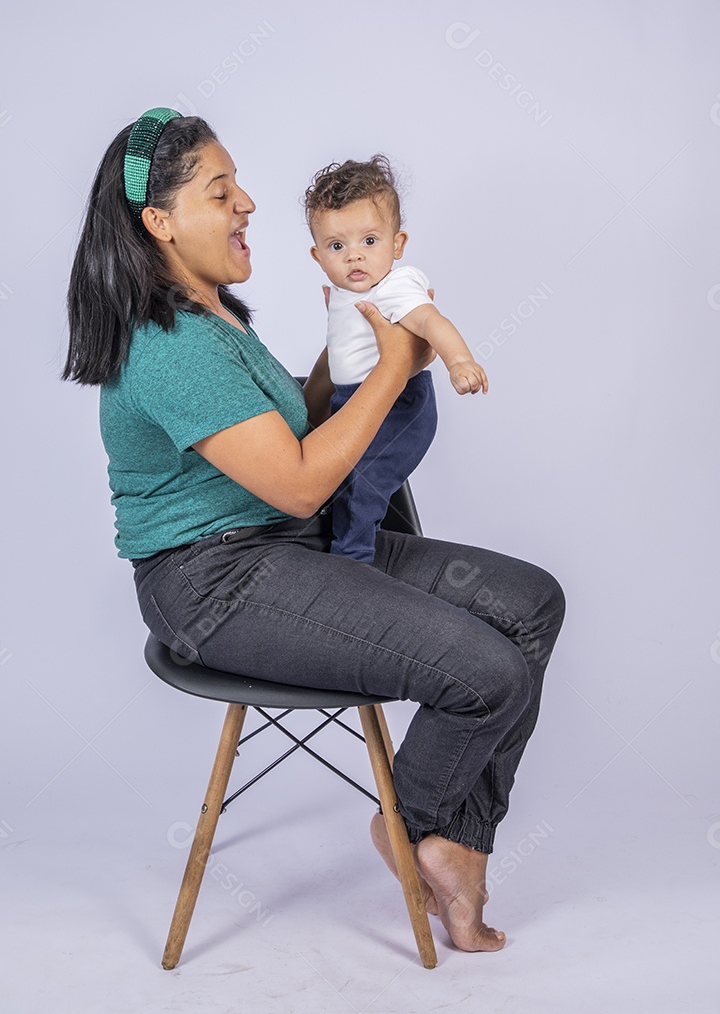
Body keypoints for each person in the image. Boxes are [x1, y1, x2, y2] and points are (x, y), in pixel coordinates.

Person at [63, 107, 565, 954]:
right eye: (222, 192)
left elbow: (289, 426)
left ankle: (453, 840)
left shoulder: (217, 311)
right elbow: (297, 484)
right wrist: (402, 364)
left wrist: (352, 356)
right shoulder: (167, 344)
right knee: (486, 669)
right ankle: (416, 826)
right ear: (160, 221)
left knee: (531, 604)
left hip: (286, 549)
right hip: (215, 582)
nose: (247, 203)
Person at [305, 155, 488, 562]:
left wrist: (459, 361)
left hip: (400, 405)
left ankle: (351, 561)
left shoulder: (395, 285)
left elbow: (431, 320)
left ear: (397, 244)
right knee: (335, 477)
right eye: (338, 246)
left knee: (363, 483)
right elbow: (338, 355)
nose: (355, 256)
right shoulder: (344, 293)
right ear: (318, 255)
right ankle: (356, 544)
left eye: (369, 241)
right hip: (354, 399)